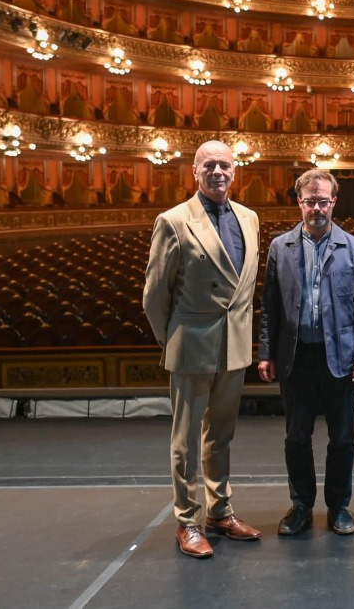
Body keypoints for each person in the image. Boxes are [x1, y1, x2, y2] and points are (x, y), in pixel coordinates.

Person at [143, 140, 262, 558]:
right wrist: (173, 339)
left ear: (235, 171)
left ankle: (220, 512)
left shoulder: (249, 218)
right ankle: (187, 521)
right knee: (186, 442)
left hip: (234, 345)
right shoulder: (173, 221)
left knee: (221, 436)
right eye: (208, 165)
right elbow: (154, 295)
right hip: (192, 344)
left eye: (224, 165)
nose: (218, 172)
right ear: (194, 172)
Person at [258, 169, 354, 537]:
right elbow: (269, 307)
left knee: (342, 438)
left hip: (340, 358)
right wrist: (266, 353)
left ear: (334, 202)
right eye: (310, 201)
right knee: (297, 437)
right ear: (300, 202)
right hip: (296, 358)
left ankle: (339, 506)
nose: (317, 208)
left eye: (323, 201)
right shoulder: (280, 247)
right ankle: (301, 505)